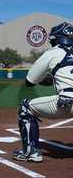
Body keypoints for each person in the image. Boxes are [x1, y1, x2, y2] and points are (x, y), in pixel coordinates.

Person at [13, 22, 73, 163]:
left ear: (55, 39)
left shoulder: (53, 52)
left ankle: (31, 153)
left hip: (68, 101)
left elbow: (30, 81)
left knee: (25, 107)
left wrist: (49, 78)